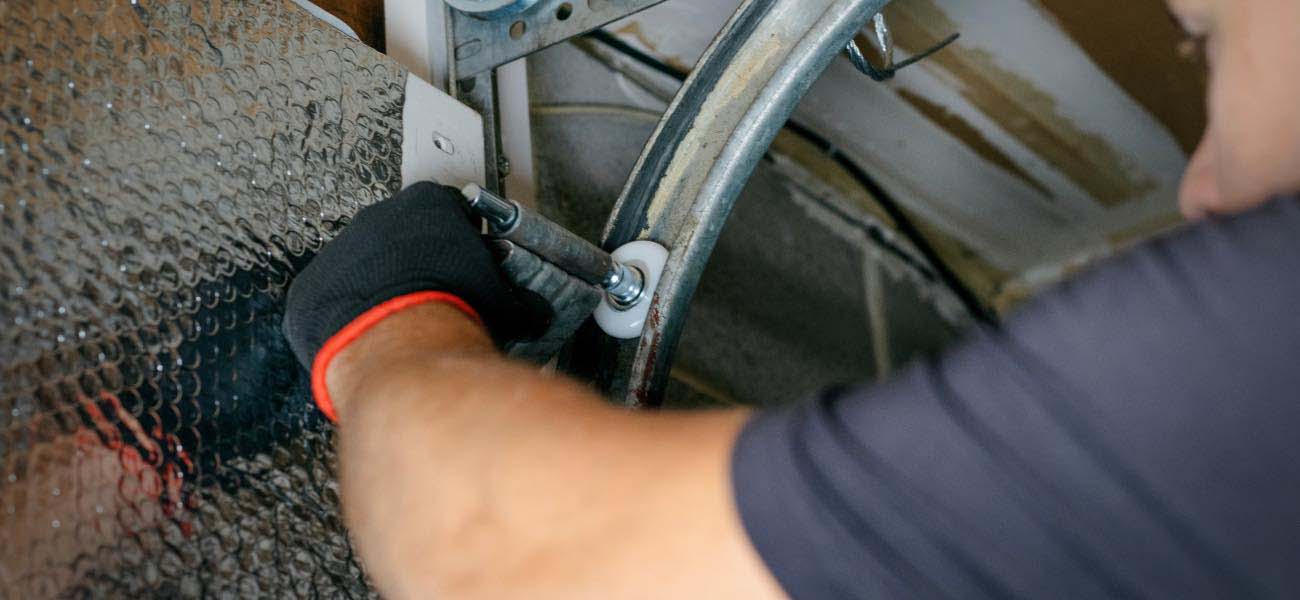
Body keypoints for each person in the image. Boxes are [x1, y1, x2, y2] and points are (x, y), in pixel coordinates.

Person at [281, 0, 1300, 596]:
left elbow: (508, 556)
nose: (1199, 190)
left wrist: (386, 324)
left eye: (1206, 39)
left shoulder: (1260, 353)